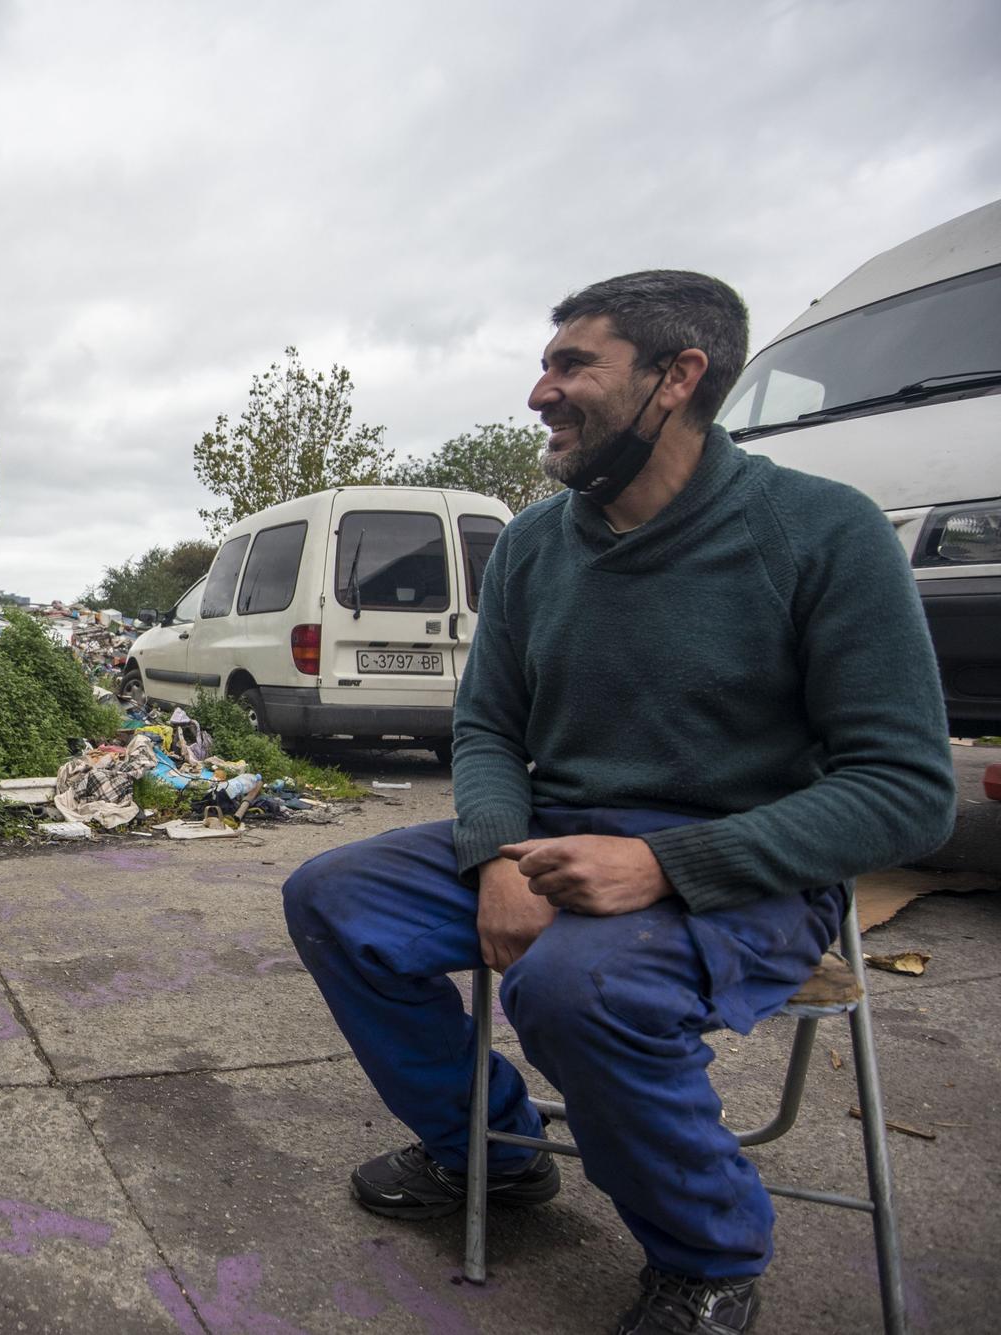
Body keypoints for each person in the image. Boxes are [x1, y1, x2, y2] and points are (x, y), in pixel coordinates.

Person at [281, 270, 956, 1334]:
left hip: (743, 864)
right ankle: (488, 1155)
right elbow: (487, 729)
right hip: (550, 837)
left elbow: (907, 793)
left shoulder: (821, 533)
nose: (539, 393)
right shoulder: (535, 546)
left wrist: (662, 869)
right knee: (333, 896)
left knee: (574, 989)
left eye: (570, 364)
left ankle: (707, 1256)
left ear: (673, 378)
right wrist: (497, 856)